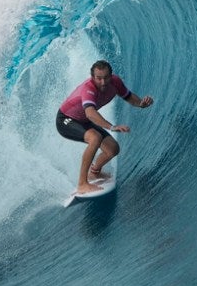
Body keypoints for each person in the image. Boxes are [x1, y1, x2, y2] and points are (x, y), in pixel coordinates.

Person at [56, 60, 154, 194]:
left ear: (111, 75)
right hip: (66, 120)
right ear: (92, 77)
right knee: (95, 138)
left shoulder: (115, 82)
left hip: (84, 120)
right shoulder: (88, 88)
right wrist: (112, 127)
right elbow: (90, 114)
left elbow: (129, 97)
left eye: (106, 77)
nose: (103, 82)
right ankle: (82, 184)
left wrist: (142, 104)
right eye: (99, 78)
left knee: (113, 149)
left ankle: (95, 172)